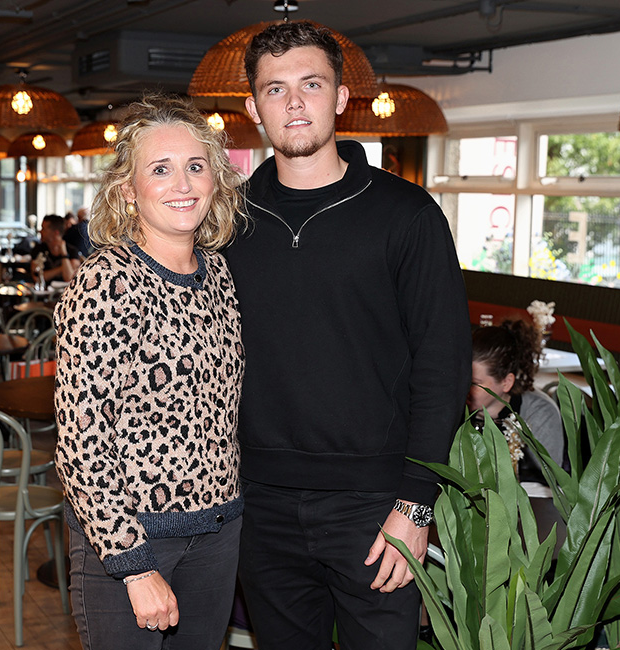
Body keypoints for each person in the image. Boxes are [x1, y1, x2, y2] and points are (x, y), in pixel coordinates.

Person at [223, 21, 472, 650]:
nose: (294, 103)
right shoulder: (227, 223)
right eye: (275, 89)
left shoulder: (407, 214)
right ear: (253, 108)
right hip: (258, 502)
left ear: (340, 98)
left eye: (311, 84)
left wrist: (416, 505)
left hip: (376, 504)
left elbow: (442, 366)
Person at [54, 93, 246, 650]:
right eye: (160, 169)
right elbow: (82, 442)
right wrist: (135, 566)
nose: (182, 184)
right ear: (127, 189)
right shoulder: (106, 282)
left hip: (217, 530)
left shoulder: (218, 272)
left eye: (196, 166)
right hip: (129, 539)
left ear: (216, 180)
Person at [467, 319, 565, 479]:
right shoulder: (450, 404)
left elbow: (551, 480)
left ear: (506, 382)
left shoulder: (539, 414)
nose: (464, 388)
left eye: (474, 383)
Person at [29, 214, 81, 285]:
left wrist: (64, 254)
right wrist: (61, 269)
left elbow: (69, 278)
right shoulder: (38, 249)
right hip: (43, 291)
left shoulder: (72, 251)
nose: (40, 231)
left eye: (43, 229)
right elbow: (37, 278)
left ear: (56, 233)